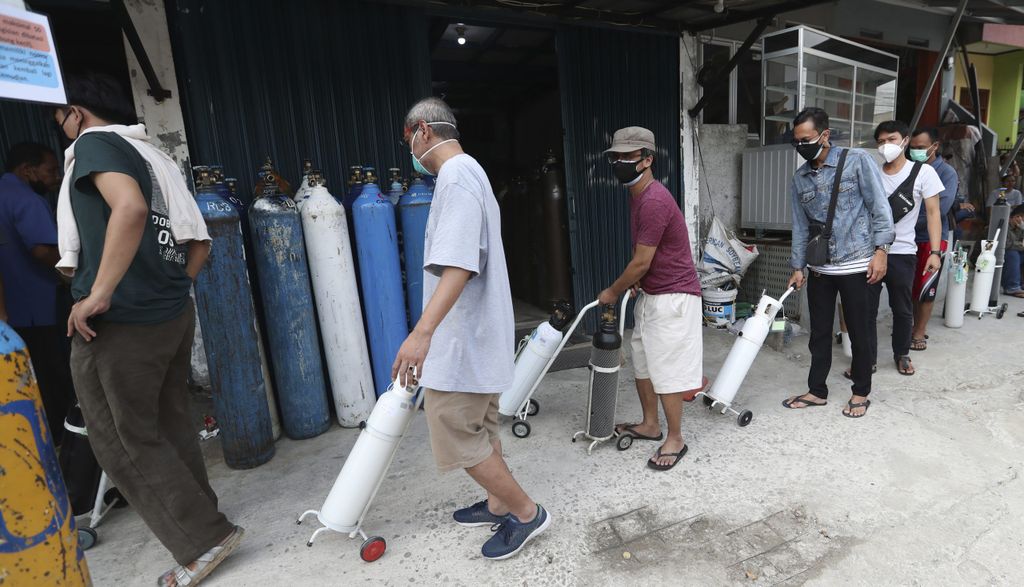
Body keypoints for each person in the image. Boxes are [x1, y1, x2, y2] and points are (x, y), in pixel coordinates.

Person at [54, 73, 241, 587]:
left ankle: (204, 540)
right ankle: (206, 521)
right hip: (170, 313)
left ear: (79, 112)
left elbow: (130, 209)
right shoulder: (155, 156)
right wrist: (171, 289)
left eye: (61, 116)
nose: (61, 127)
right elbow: (198, 243)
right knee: (169, 424)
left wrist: (100, 293)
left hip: (119, 323)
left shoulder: (93, 145)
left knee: (121, 439)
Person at [391, 97, 549, 560]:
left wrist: (422, 334)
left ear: (421, 131)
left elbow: (459, 265)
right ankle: (500, 501)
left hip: (463, 339)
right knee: (480, 426)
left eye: (407, 140)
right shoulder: (470, 171)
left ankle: (525, 513)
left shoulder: (456, 178)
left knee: (454, 428)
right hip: (478, 334)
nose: (410, 150)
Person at [595, 126, 703, 472]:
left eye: (629, 156)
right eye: (617, 157)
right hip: (654, 293)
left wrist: (612, 291)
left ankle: (675, 437)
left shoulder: (654, 198)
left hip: (673, 298)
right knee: (643, 362)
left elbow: (641, 259)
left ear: (647, 160)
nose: (621, 162)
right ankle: (649, 424)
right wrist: (638, 280)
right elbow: (645, 256)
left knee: (667, 370)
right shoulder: (638, 195)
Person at [783, 108, 894, 419]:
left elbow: (879, 207)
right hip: (821, 268)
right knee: (819, 333)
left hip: (858, 264)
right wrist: (797, 266)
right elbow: (800, 226)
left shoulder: (856, 161)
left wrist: (882, 250)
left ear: (825, 135)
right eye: (796, 141)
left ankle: (861, 392)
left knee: (859, 332)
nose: (801, 146)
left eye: (806, 139)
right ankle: (817, 391)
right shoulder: (800, 177)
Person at [0, 142, 74, 442]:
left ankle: (42, 433)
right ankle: (64, 436)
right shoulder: (27, 200)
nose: (56, 177)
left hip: (13, 311)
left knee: (32, 375)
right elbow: (43, 250)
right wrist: (73, 275)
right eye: (51, 171)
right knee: (55, 374)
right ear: (28, 170)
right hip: (40, 305)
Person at [867, 121, 943, 378]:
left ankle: (901, 354)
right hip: (871, 252)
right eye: (880, 141)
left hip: (903, 252)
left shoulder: (923, 173)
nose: (885, 145)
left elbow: (933, 214)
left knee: (902, 309)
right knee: (866, 309)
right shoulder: (873, 173)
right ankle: (868, 360)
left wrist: (935, 252)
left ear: (905, 141)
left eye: (891, 138)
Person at [907, 128, 958, 351]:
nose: (916, 152)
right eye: (913, 148)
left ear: (934, 146)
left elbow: (940, 209)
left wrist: (904, 219)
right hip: (907, 239)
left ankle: (919, 332)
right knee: (909, 286)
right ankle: (910, 325)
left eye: (921, 148)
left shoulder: (946, 173)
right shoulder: (908, 169)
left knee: (927, 288)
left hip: (932, 239)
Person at [1001, 204, 1024, 298]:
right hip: (998, 255)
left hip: (1013, 256)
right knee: (1012, 254)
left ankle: (1021, 285)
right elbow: (1006, 245)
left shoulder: (1020, 227)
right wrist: (1021, 245)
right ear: (1017, 216)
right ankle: (1012, 287)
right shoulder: (1004, 224)